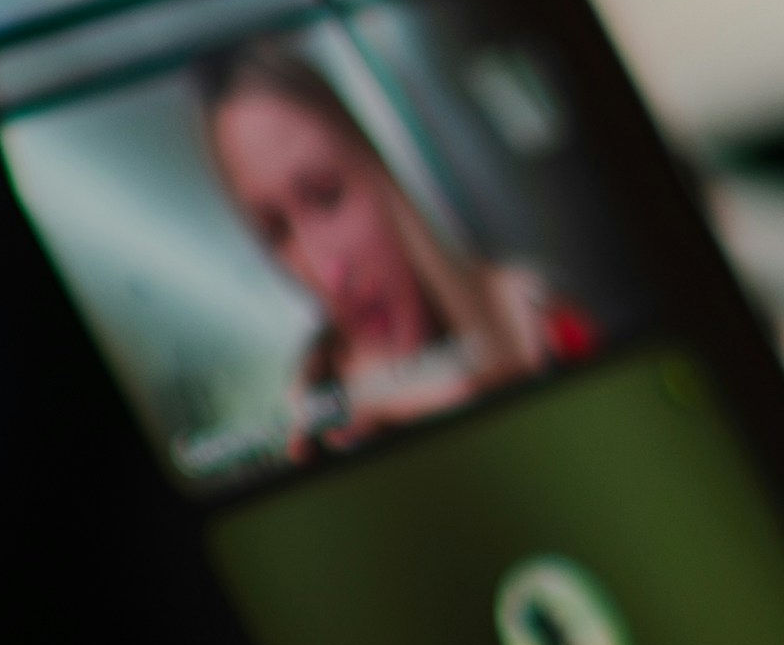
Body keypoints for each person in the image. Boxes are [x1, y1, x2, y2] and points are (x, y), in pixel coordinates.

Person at [196, 41, 589, 453]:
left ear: (382, 166)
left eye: (327, 195)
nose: (328, 274)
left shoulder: (541, 326)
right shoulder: (315, 432)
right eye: (276, 232)